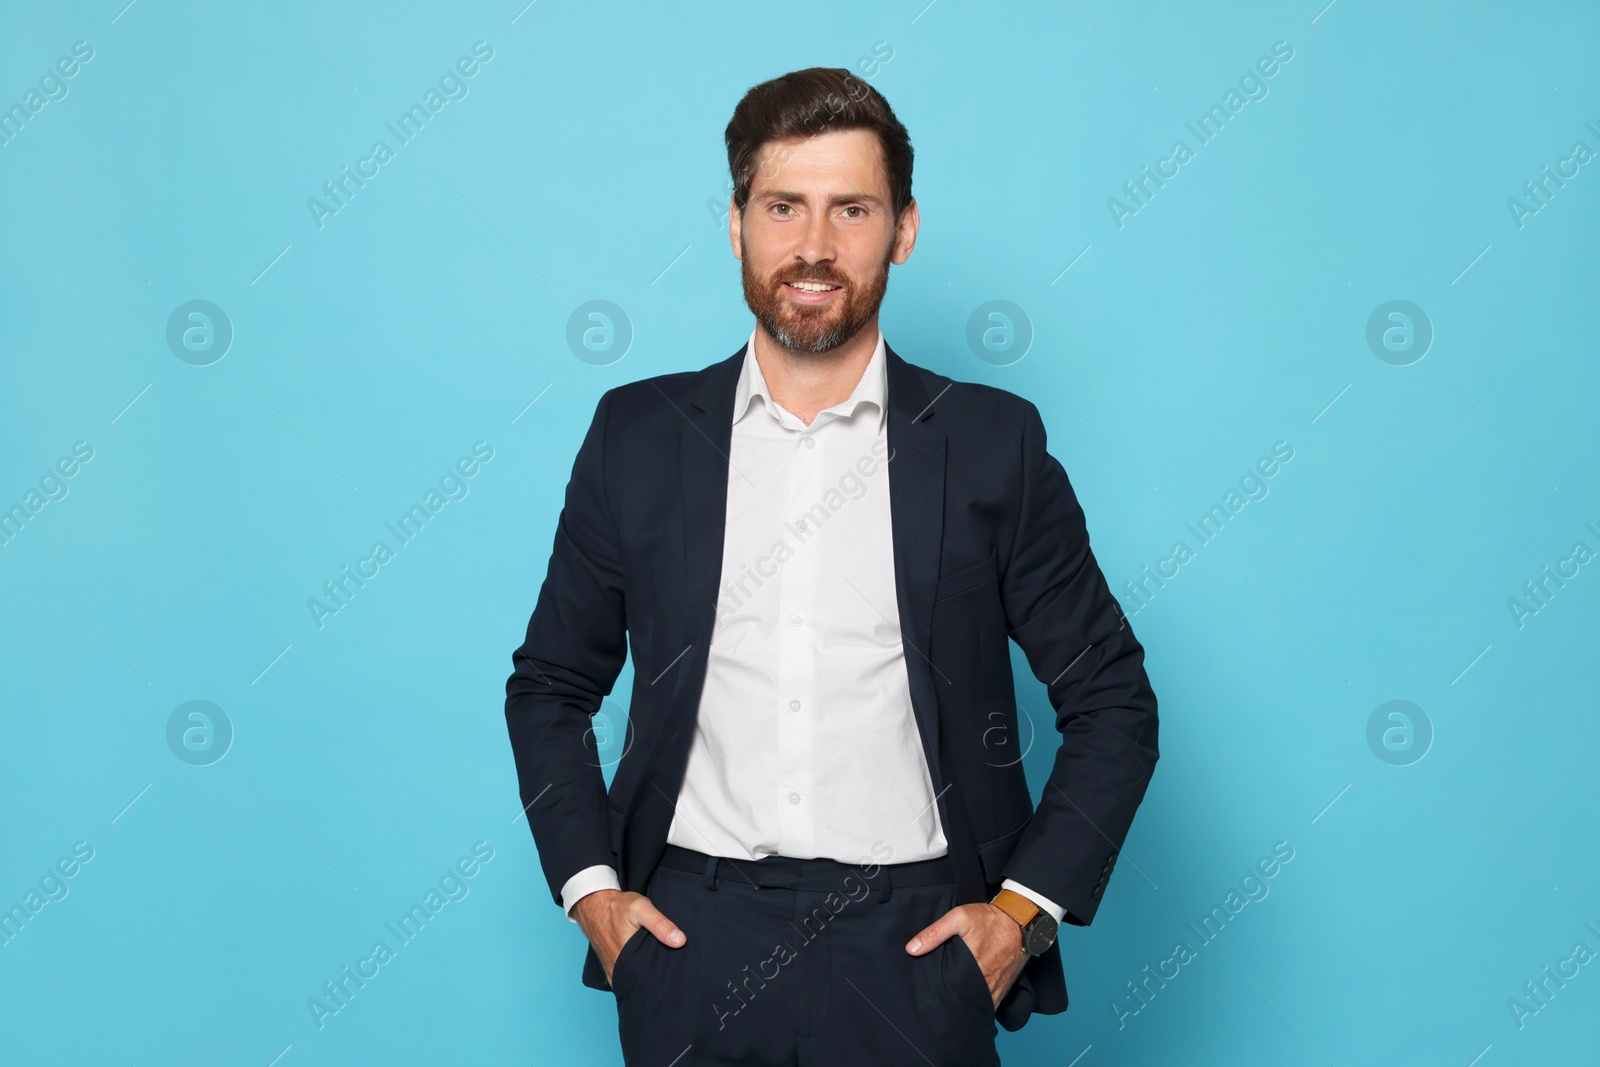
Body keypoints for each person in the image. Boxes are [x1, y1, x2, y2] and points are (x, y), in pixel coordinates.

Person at [504, 66, 1159, 1066]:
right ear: (736, 224)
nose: (813, 247)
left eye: (850, 209)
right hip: (689, 943)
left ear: (902, 230)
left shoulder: (990, 445)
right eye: (783, 207)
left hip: (916, 946)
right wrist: (593, 892)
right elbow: (550, 683)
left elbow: (1112, 699)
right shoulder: (636, 436)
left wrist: (1019, 916)